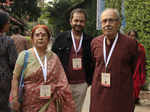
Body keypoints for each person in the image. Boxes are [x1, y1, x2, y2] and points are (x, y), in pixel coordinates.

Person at [10, 24, 75, 112]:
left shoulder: (54, 57)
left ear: (48, 39)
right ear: (32, 39)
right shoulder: (24, 55)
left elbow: (61, 79)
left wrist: (60, 92)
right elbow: (15, 78)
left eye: (44, 35)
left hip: (49, 102)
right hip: (28, 103)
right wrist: (14, 98)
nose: (40, 38)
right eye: (37, 35)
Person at [90, 8, 138, 112]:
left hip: (121, 95)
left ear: (119, 23)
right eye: (104, 21)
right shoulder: (95, 42)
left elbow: (134, 67)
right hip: (99, 93)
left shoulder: (130, 44)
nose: (107, 24)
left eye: (111, 20)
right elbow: (94, 65)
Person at [52, 8, 94, 112]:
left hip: (81, 85)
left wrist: (88, 82)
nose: (78, 23)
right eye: (76, 20)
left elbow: (94, 62)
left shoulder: (91, 41)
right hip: (63, 83)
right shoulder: (60, 38)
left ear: (85, 22)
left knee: (76, 110)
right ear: (71, 21)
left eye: (81, 21)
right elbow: (52, 61)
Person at [0, 10, 17, 112]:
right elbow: (14, 62)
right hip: (4, 80)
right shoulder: (8, 41)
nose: (9, 24)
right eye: (8, 22)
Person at [128, 30, 146, 105]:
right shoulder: (124, 47)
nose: (132, 37)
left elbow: (143, 62)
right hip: (127, 72)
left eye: (134, 36)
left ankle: (134, 100)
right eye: (131, 36)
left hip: (137, 72)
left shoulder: (141, 48)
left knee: (135, 89)